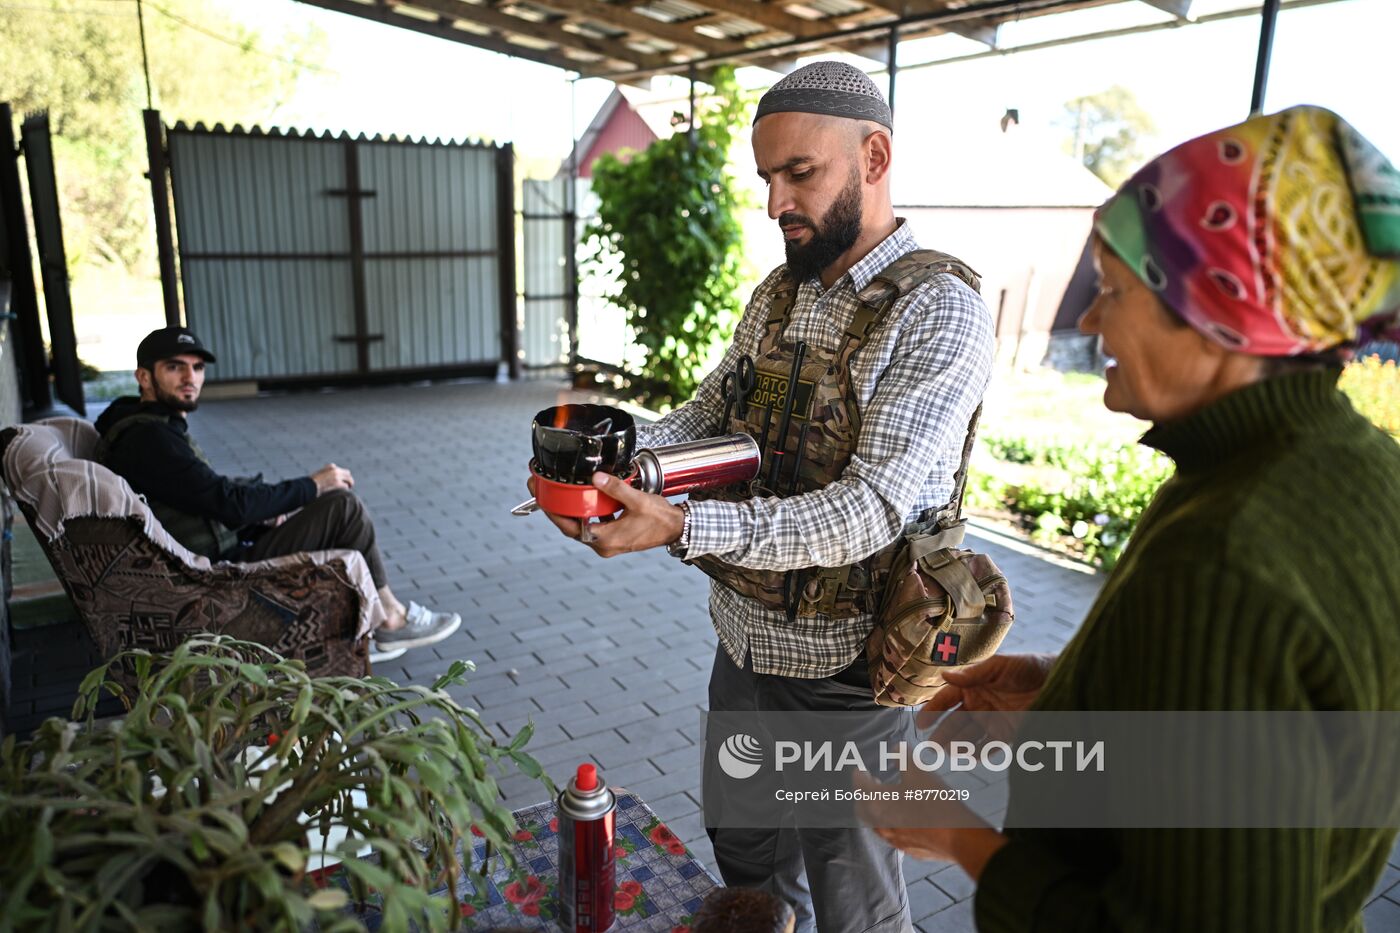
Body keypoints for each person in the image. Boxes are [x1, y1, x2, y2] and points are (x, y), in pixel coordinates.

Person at [864, 106, 1400, 931]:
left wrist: (961, 836)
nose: (1088, 320)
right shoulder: (1355, 464)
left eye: (1114, 289)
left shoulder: (1225, 555)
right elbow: (1269, 740)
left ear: (1222, 313)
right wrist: (1072, 694)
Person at [532, 61, 995, 932]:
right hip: (742, 645)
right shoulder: (778, 293)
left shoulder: (938, 310)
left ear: (875, 155)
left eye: (800, 173)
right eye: (767, 178)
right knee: (744, 860)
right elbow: (704, 412)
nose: (776, 200)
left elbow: (870, 509)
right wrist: (607, 463)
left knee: (853, 897)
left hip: (848, 677)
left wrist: (680, 524)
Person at [95, 326, 463, 660]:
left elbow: (201, 497)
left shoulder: (144, 427)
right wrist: (311, 485)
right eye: (175, 367)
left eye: (197, 368)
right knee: (342, 507)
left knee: (331, 504)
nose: (190, 377)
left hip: (208, 552)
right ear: (144, 377)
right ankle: (391, 621)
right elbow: (229, 504)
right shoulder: (150, 439)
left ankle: (380, 618)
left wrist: (267, 513)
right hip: (210, 574)